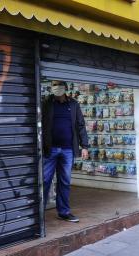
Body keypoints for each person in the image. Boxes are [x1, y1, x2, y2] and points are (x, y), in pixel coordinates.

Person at [42, 80, 89, 223]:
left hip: (68, 149)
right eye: (54, 86)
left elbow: (80, 125)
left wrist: (84, 146)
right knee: (44, 180)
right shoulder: (46, 103)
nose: (56, 88)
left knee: (65, 181)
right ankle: (38, 213)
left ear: (65, 88)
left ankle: (63, 212)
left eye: (58, 85)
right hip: (50, 149)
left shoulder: (73, 104)